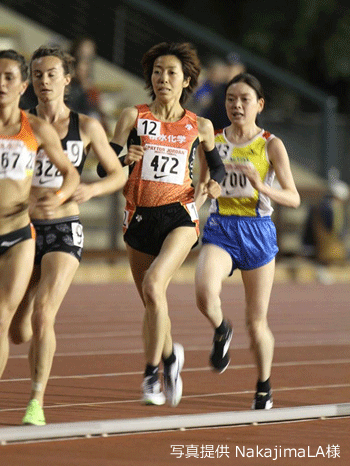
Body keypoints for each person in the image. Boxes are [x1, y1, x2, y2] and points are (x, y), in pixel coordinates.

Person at [97, 42, 225, 407]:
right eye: (157, 72)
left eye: (171, 72)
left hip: (179, 215)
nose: (163, 78)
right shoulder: (132, 117)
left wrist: (212, 183)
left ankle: (151, 375)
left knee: (155, 285)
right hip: (138, 215)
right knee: (151, 302)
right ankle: (171, 356)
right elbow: (104, 166)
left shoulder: (199, 125)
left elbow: (215, 167)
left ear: (187, 81)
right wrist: (124, 156)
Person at [9, 45, 126, 426]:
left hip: (63, 227)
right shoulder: (20, 124)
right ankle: (22, 309)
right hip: (22, 229)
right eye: (38, 75)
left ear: (67, 79)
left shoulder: (87, 126)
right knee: (17, 331)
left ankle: (35, 401)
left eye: (52, 74)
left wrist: (91, 190)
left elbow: (118, 173)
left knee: (45, 315)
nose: (45, 81)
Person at [194, 73, 300, 410]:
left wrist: (261, 185)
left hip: (257, 231)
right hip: (221, 227)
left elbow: (294, 198)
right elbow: (200, 187)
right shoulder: (211, 141)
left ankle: (264, 385)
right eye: (230, 99)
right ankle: (222, 328)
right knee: (204, 292)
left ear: (259, 104)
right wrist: (189, 213)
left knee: (256, 323)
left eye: (244, 99)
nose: (236, 105)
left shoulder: (271, 144)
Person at [0, 50, 80, 390]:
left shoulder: (36, 128)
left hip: (21, 233)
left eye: (8, 77)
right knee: (18, 330)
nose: (0, 84)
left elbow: (70, 173)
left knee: (4, 319)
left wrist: (60, 197)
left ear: (21, 87)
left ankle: (31, 396)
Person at [302, 179, 349, 282]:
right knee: (322, 256)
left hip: (314, 239)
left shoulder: (320, 204)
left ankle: (322, 272)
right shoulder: (328, 207)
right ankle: (321, 272)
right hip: (321, 240)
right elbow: (334, 227)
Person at [67, 36, 109, 133]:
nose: (85, 60)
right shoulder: (64, 80)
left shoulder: (91, 89)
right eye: (82, 55)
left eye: (89, 57)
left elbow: (101, 117)